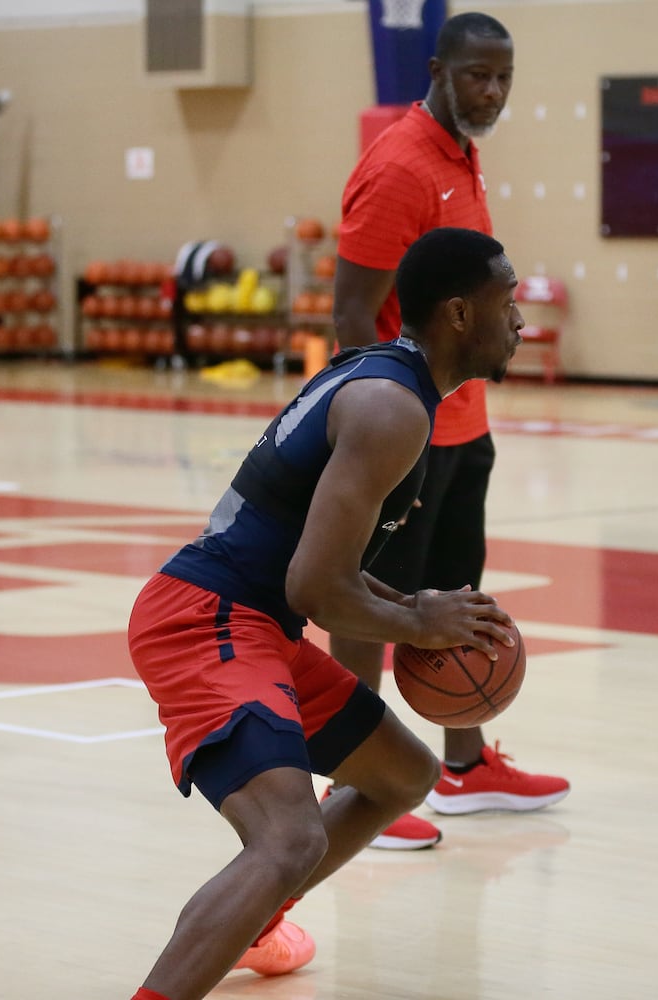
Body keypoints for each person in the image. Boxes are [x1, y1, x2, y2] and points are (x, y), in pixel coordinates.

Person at [126, 227, 524, 1000]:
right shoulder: (391, 409)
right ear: (459, 314)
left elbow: (319, 577)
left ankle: (257, 921)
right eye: (507, 300)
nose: (519, 320)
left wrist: (418, 605)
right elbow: (317, 589)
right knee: (288, 836)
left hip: (252, 622)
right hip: (202, 617)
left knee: (404, 775)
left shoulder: (389, 383)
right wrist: (418, 624)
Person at [330, 10, 569, 851]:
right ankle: (357, 779)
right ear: (437, 68)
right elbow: (353, 312)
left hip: (464, 421)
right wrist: (387, 425)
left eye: (503, 78)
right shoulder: (398, 166)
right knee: (368, 602)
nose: (492, 91)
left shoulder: (461, 156)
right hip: (407, 431)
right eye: (477, 76)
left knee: (458, 596)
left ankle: (464, 769)